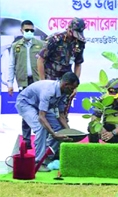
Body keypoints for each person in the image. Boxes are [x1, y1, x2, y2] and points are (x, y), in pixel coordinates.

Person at [14, 72, 79, 172]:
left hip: (40, 107)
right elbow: (41, 117)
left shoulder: (64, 92)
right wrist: (53, 134)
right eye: (72, 88)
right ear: (65, 84)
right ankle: (38, 161)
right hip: (26, 104)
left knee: (60, 129)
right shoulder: (48, 91)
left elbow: (61, 116)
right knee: (41, 127)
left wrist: (70, 132)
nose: (73, 91)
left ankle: (46, 155)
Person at [37, 17, 86, 119]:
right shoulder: (55, 39)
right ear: (69, 28)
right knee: (48, 111)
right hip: (50, 79)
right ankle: (48, 132)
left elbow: (78, 64)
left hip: (67, 81)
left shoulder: (80, 43)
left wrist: (75, 86)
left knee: (63, 111)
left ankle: (63, 131)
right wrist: (42, 82)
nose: (75, 37)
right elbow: (40, 60)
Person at [7, 20, 45, 149]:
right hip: (23, 82)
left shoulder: (41, 45)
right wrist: (10, 84)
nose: (29, 32)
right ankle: (27, 140)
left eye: (31, 30)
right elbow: (11, 65)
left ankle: (41, 138)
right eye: (27, 30)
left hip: (38, 83)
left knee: (41, 110)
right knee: (26, 111)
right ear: (21, 31)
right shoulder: (16, 46)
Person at [88, 78, 118, 144]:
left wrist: (113, 133)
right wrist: (101, 129)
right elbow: (94, 119)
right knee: (92, 127)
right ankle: (94, 150)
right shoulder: (102, 102)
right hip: (105, 131)